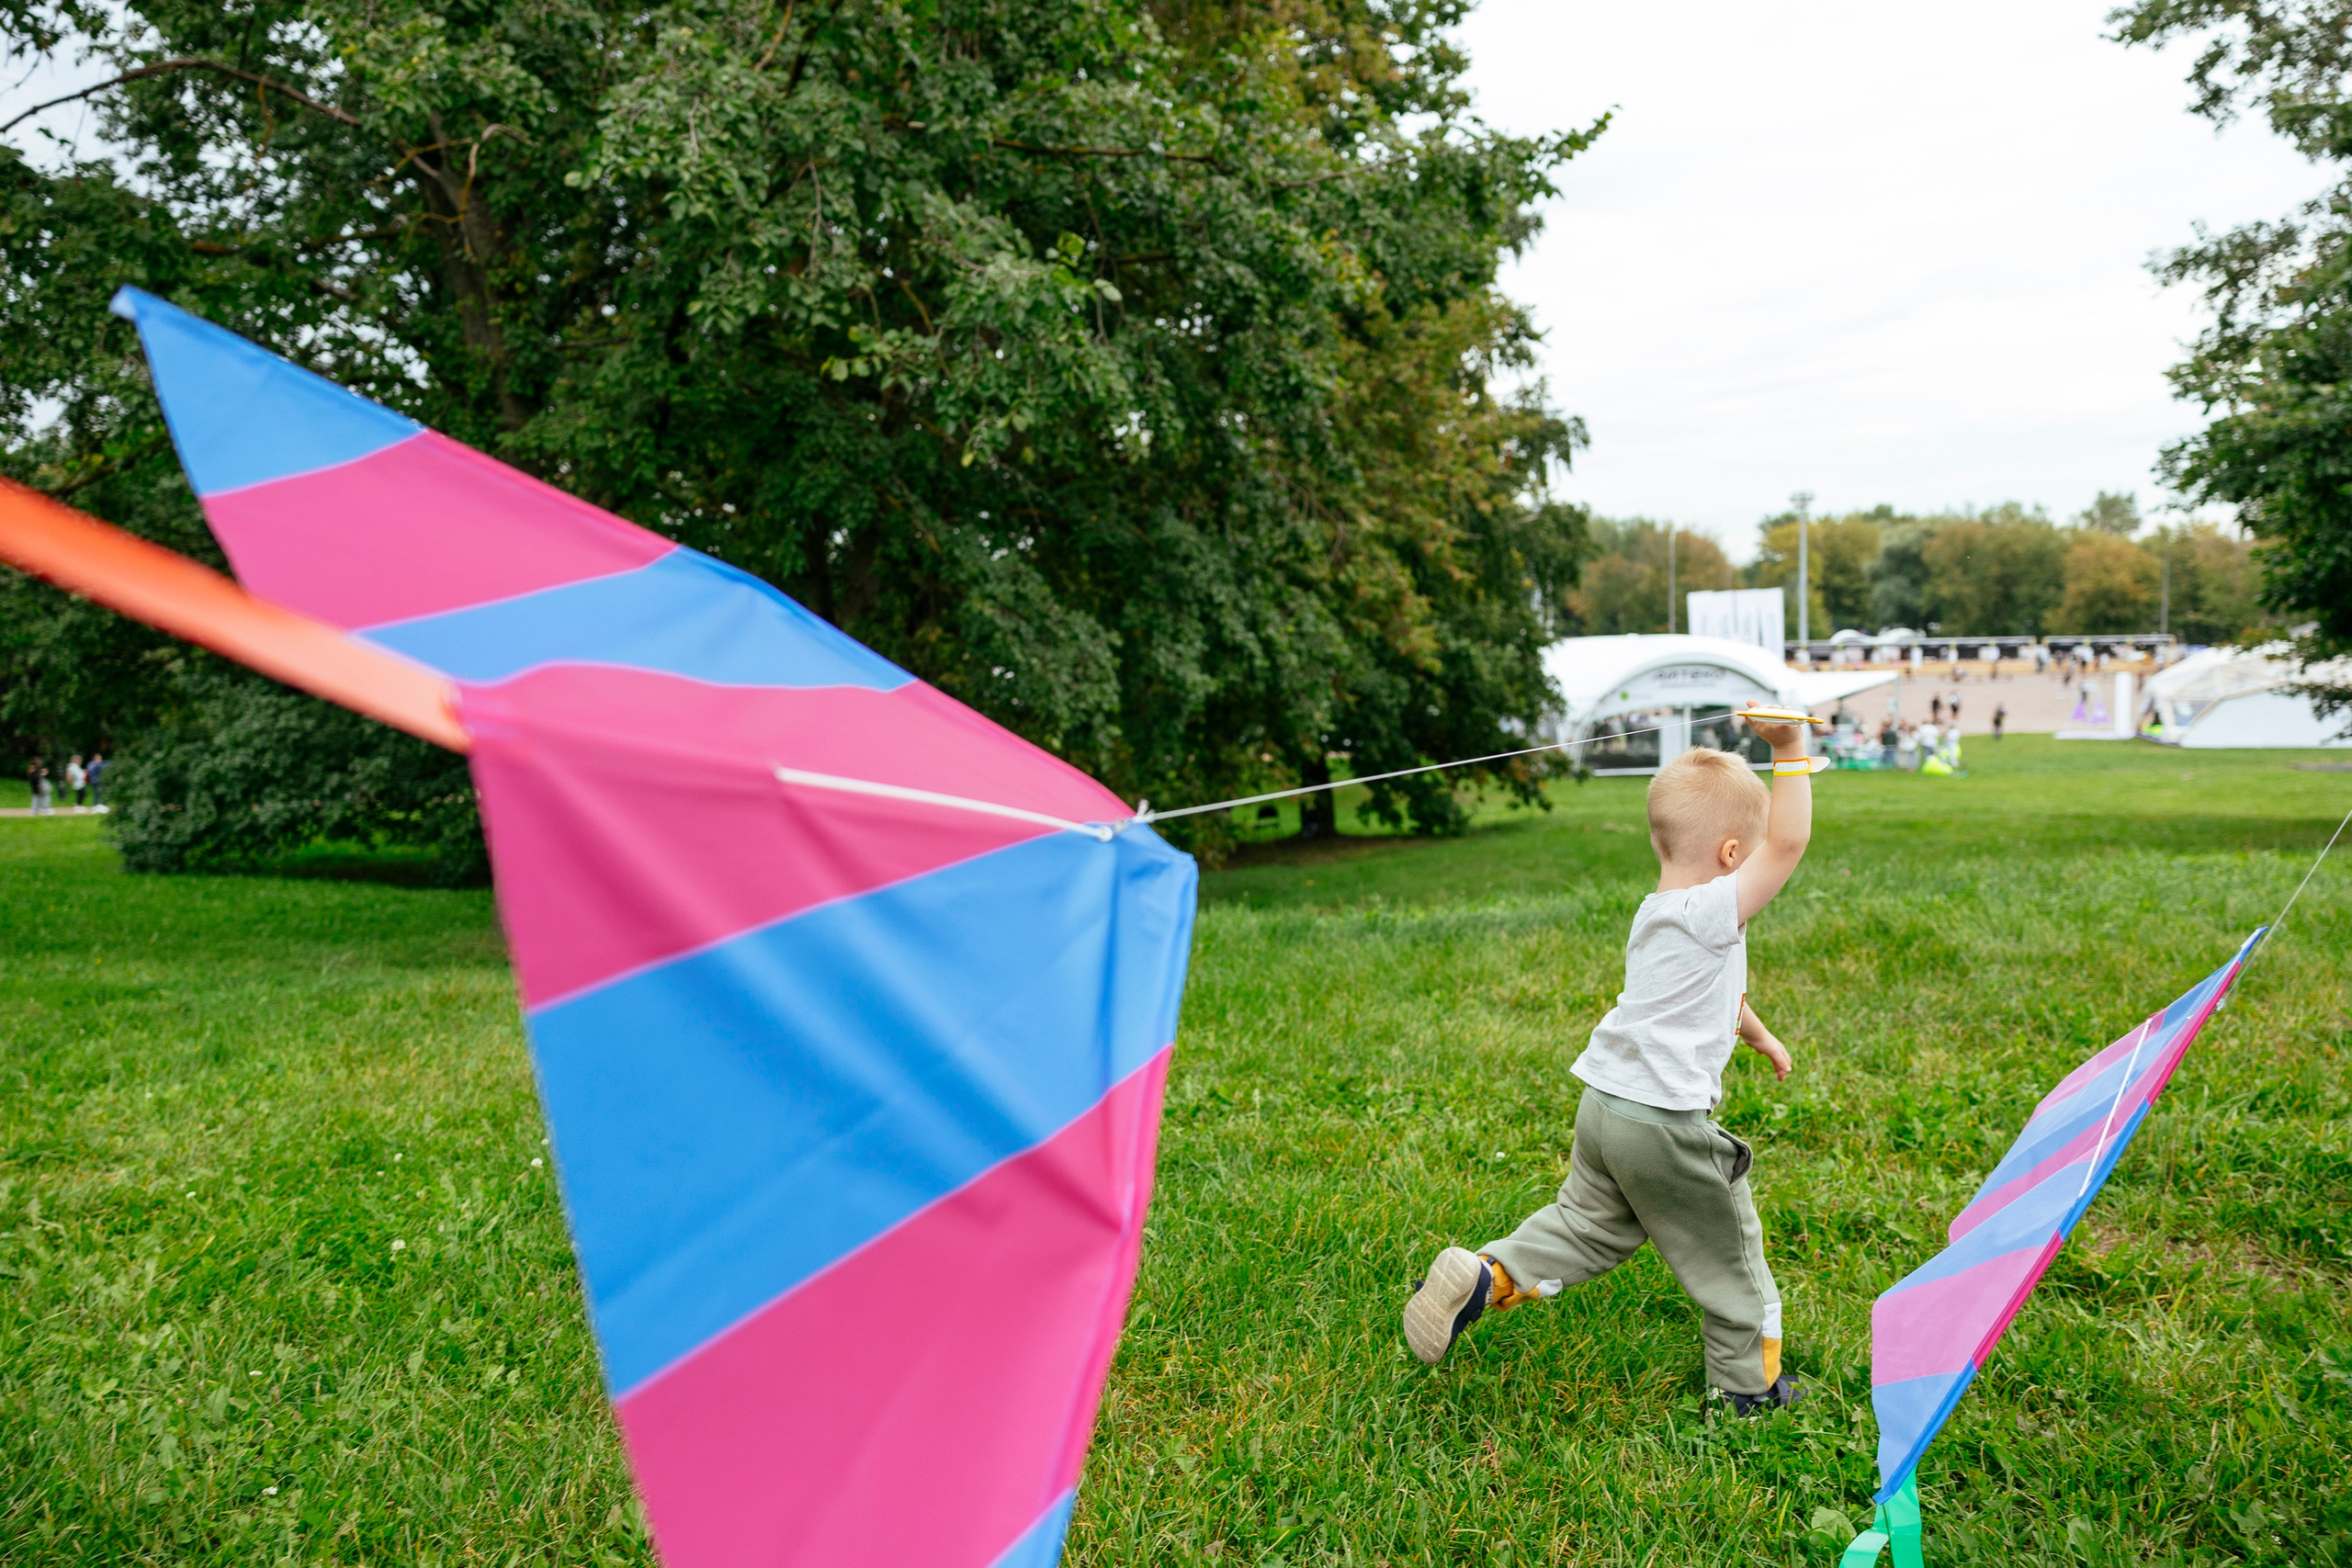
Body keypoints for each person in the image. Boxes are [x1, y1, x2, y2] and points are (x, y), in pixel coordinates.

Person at [1400, 727, 1813, 1413]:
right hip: (1664, 1124)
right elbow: (1791, 844)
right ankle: (1748, 1390)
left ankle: (1486, 1274)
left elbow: (1717, 993)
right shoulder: (1714, 906)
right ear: (1732, 854)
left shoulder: (1655, 914)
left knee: (1587, 1225)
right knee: (1732, 1260)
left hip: (1605, 1109)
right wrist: (1790, 750)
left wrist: (1759, 1033)